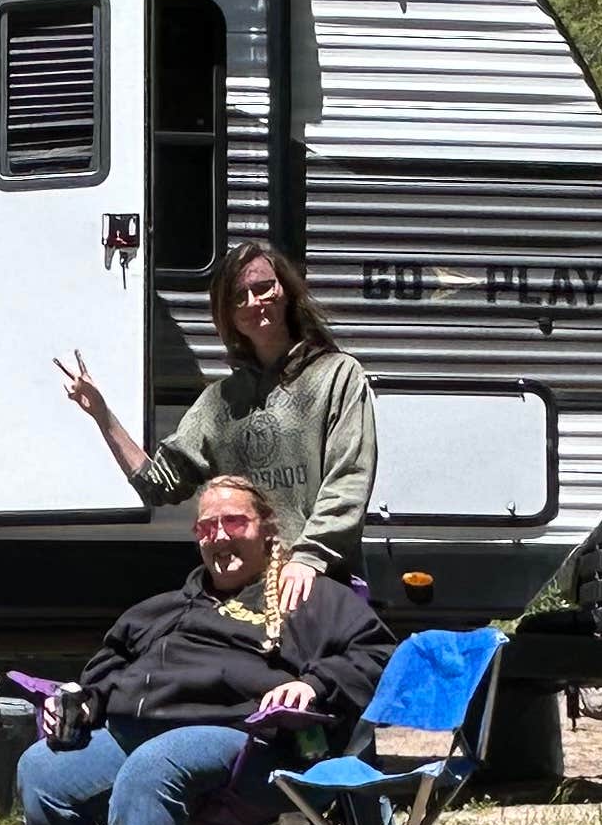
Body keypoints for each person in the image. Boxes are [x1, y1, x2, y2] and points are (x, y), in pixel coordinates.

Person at [11, 474, 393, 825]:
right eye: (206, 527)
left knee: (156, 763)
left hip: (251, 747)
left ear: (267, 531)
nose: (219, 536)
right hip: (135, 730)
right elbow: (107, 670)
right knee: (42, 768)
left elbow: (377, 657)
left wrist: (313, 684)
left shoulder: (306, 597)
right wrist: (77, 701)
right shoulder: (166, 608)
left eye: (234, 522)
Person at [54, 240, 380, 623]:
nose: (254, 302)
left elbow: (348, 479)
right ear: (227, 315)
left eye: (263, 288)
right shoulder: (220, 401)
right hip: (244, 594)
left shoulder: (337, 375)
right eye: (239, 296)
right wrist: (103, 415)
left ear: (286, 292)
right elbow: (158, 484)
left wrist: (310, 557)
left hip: (317, 582)